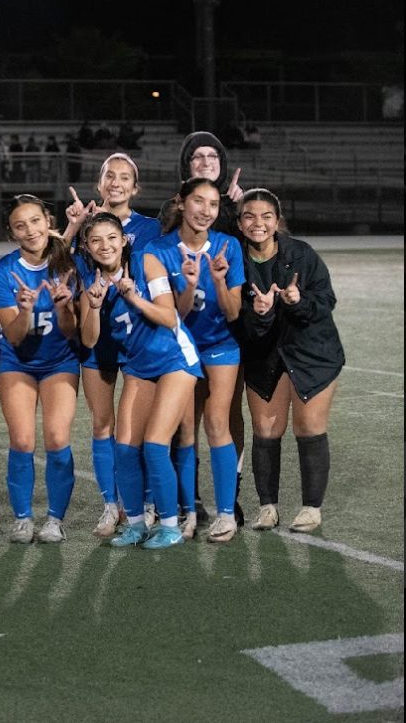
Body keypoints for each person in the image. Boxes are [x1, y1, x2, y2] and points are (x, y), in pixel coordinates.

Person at [78, 211, 202, 550]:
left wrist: (134, 298)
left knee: (155, 443)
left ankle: (170, 525)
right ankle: (134, 525)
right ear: (87, 248)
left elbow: (168, 315)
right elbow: (89, 341)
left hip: (174, 358)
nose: (105, 246)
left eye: (111, 238)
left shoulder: (147, 264)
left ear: (123, 240)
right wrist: (92, 306)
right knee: (125, 447)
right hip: (139, 364)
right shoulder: (91, 284)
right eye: (96, 240)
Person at [61, 154, 163, 536]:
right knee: (102, 424)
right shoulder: (84, 225)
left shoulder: (151, 229)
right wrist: (72, 228)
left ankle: (147, 502)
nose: (116, 183)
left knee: (138, 428)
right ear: (99, 183)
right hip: (97, 341)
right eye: (110, 176)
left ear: (135, 187)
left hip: (140, 342)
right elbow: (56, 260)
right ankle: (110, 506)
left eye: (125, 178)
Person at [237, 189, 343, 533]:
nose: (259, 223)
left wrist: (298, 300)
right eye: (250, 216)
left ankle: (312, 508)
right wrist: (262, 313)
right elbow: (235, 318)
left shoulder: (301, 253)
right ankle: (268, 507)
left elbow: (326, 299)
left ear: (277, 220)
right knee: (266, 429)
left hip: (312, 351)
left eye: (266, 216)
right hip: (263, 353)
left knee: (309, 427)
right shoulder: (233, 259)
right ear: (239, 223)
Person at [146, 178, 245, 543]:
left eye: (214, 204)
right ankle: (189, 513)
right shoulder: (158, 250)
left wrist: (218, 281)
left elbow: (233, 313)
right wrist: (188, 285)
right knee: (185, 431)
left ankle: (225, 515)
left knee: (218, 422)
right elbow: (174, 316)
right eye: (199, 201)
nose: (206, 211)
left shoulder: (228, 246)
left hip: (221, 345)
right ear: (181, 203)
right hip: (180, 348)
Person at [0, 195, 79, 544]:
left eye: (35, 221)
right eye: (20, 225)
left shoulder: (69, 265)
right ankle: (23, 518)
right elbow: (13, 336)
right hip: (18, 363)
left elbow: (73, 331)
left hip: (60, 361)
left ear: (48, 221)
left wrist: (63, 307)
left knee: (57, 438)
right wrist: (25, 310)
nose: (30, 230)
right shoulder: (3, 272)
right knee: (23, 440)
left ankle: (54, 520)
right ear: (12, 234)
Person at [176, 131, 247, 524]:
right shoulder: (171, 222)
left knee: (226, 415)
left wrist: (239, 210)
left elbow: (270, 241)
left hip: (230, 329)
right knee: (185, 420)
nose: (205, 162)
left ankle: (229, 495)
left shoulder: (240, 210)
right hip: (182, 336)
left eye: (212, 156)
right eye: (197, 157)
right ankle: (191, 501)